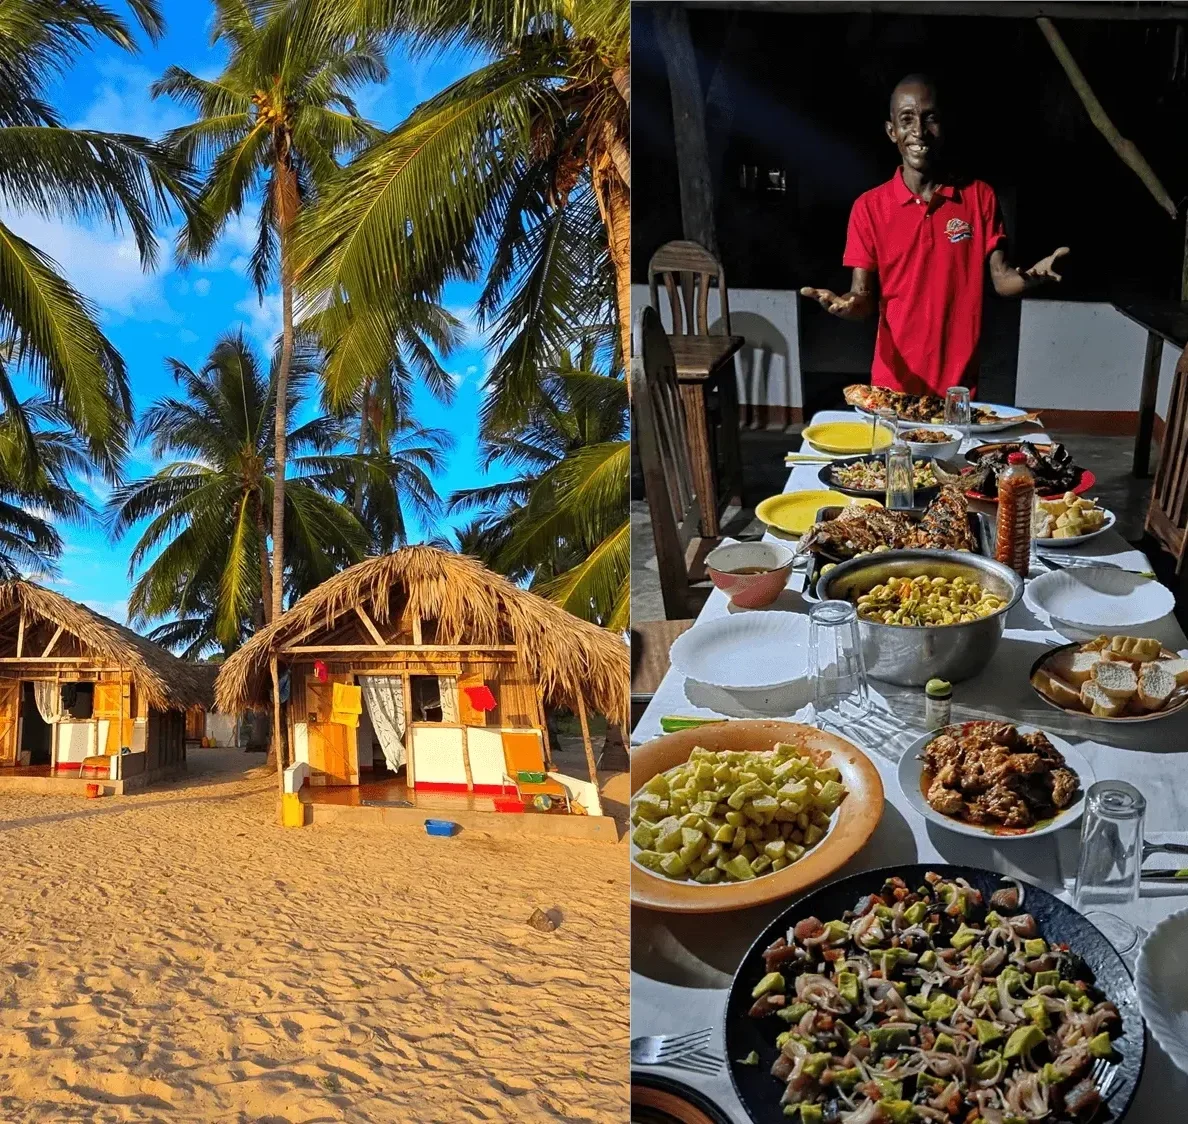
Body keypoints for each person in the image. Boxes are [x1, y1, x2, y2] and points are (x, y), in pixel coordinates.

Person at [800, 74, 1069, 397]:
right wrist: (846, 305)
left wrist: (1032, 276)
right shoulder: (869, 207)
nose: (918, 131)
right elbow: (863, 298)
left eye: (930, 118)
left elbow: (1001, 279)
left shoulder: (978, 197)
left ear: (943, 127)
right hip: (892, 388)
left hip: (958, 390)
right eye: (907, 119)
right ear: (892, 131)